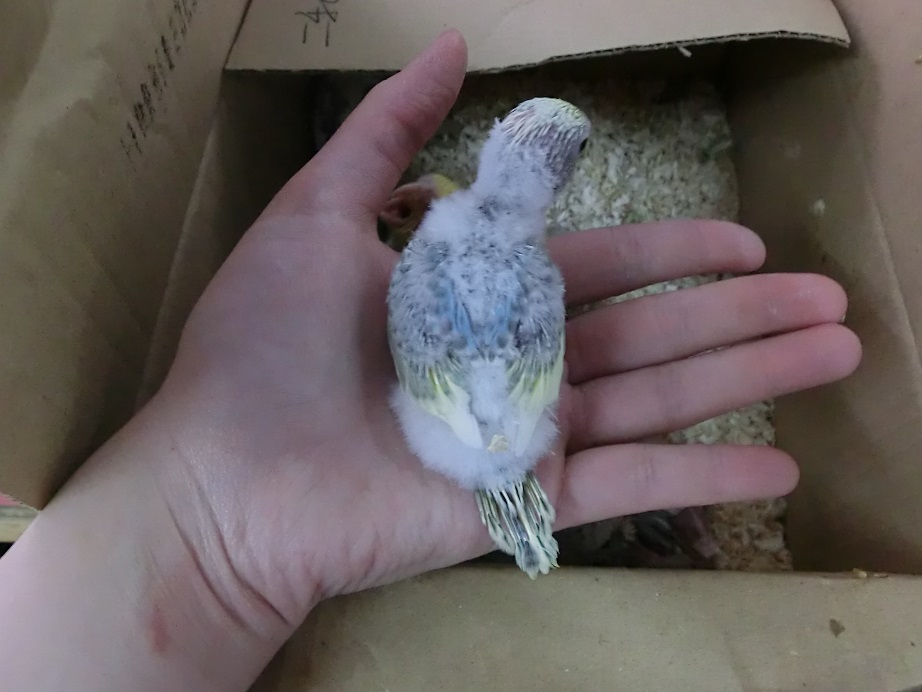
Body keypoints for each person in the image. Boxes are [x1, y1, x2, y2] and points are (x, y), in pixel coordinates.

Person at [0, 30, 860, 690]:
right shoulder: (518, 267)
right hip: (482, 422)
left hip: (463, 421)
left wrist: (204, 551)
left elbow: (467, 315)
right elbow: (506, 335)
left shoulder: (456, 251)